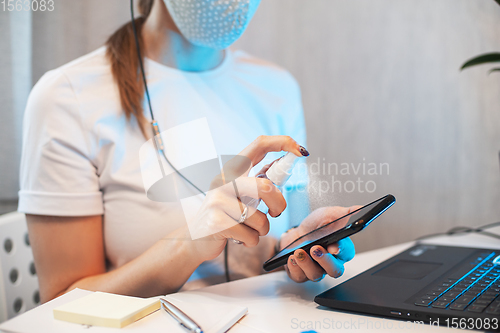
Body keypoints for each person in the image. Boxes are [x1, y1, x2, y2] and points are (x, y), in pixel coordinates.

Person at [19, 0, 357, 303]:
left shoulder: (277, 87)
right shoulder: (66, 98)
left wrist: (300, 247)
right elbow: (60, 305)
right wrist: (190, 244)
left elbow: (281, 240)